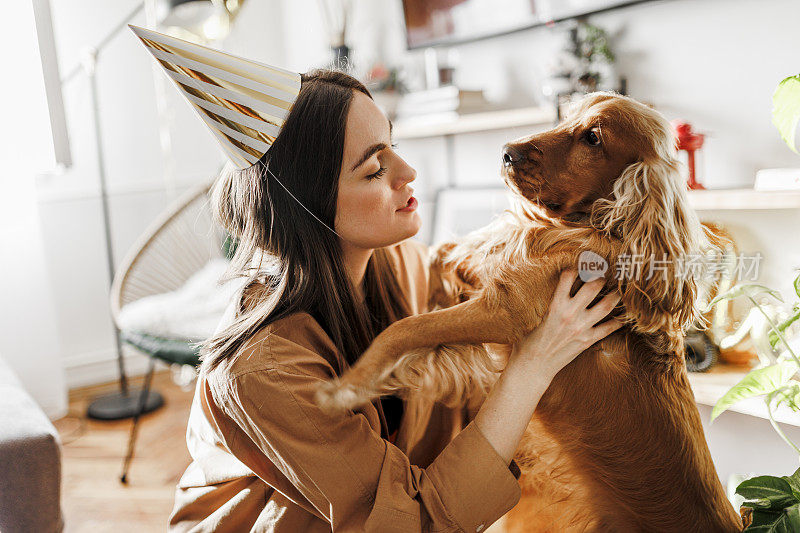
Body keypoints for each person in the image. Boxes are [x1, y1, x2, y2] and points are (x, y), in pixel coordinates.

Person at [128, 25, 622, 533]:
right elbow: (414, 522)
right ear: (308, 207)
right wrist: (535, 363)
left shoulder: (397, 264)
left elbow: (475, 285)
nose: (407, 172)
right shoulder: (262, 371)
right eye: (372, 169)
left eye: (394, 146)